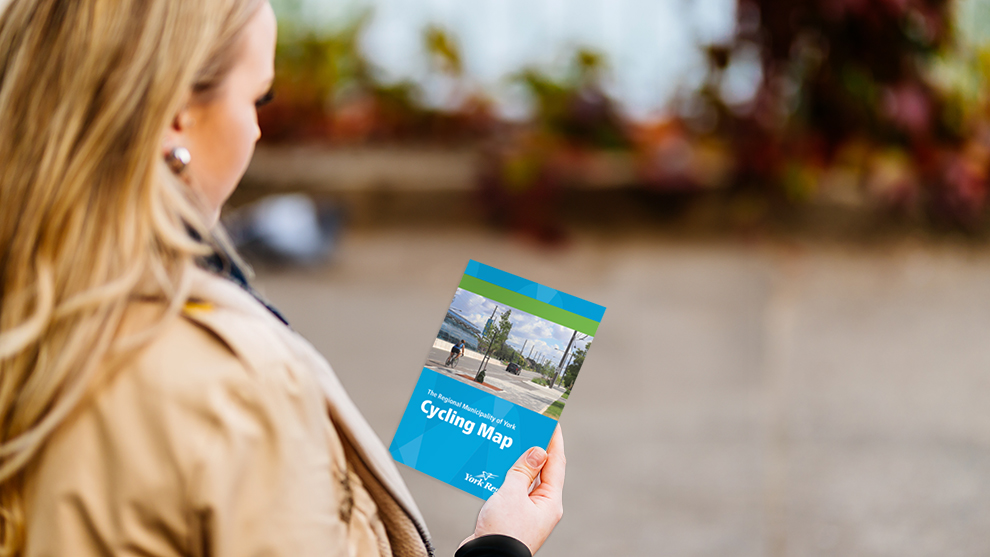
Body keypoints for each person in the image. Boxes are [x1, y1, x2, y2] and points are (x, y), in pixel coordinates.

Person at [0, 1, 565, 556]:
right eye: (256, 99)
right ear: (177, 113)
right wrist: (501, 546)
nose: (256, 133)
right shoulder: (235, 387)